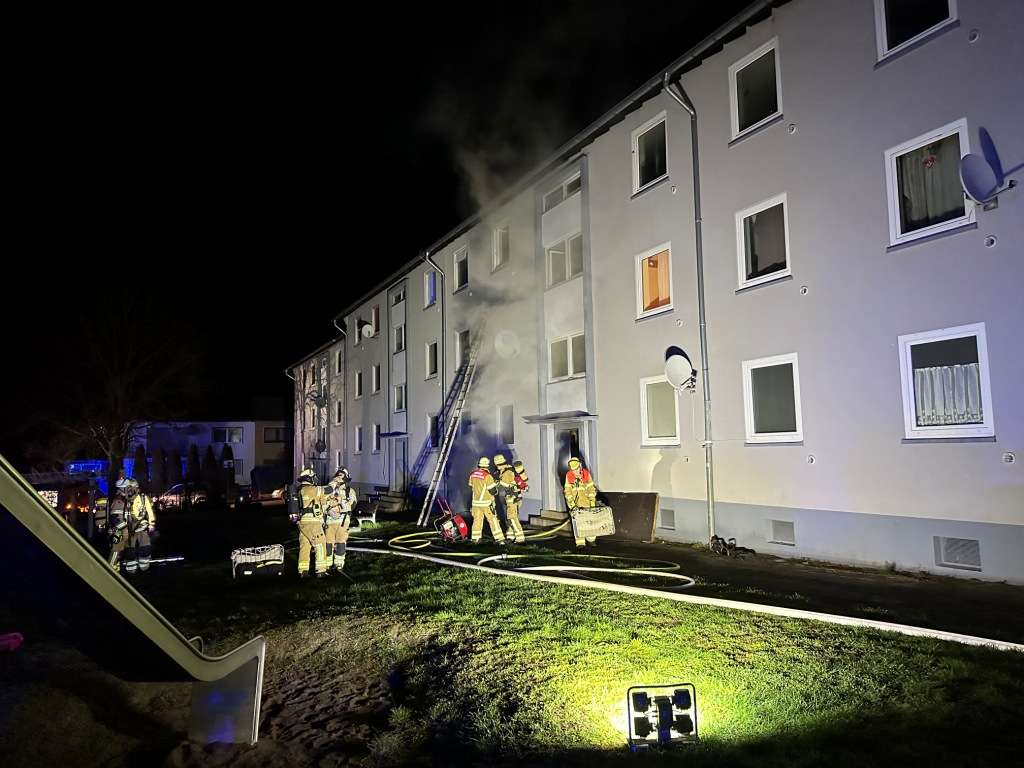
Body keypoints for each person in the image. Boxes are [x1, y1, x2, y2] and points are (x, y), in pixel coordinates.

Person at [293, 467, 329, 578]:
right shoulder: (314, 489)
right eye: (314, 477)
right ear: (309, 478)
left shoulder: (299, 490)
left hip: (302, 522)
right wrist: (336, 482)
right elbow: (328, 490)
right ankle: (321, 571)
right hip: (312, 522)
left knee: (305, 545)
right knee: (320, 544)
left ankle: (303, 571)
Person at [324, 467, 357, 574]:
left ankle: (339, 565)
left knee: (341, 543)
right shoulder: (329, 489)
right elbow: (322, 502)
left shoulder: (350, 491)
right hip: (329, 521)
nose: (339, 478)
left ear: (346, 478)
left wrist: (341, 503)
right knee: (328, 544)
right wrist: (328, 510)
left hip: (343, 521)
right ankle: (327, 565)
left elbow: (352, 505)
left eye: (341, 476)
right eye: (338, 475)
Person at [122, 479, 156, 573]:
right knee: (129, 549)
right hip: (129, 529)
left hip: (142, 528)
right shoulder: (124, 499)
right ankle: (131, 568)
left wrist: (151, 524)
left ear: (136, 488)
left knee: (145, 546)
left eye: (131, 487)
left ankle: (144, 565)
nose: (129, 489)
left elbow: (150, 511)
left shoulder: (143, 498)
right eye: (127, 488)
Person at [468, 457, 505, 544]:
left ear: (479, 465)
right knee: (493, 520)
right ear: (487, 466)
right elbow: (493, 491)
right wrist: (495, 485)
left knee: (477, 521)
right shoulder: (487, 476)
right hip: (486, 504)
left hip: (475, 503)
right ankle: (499, 539)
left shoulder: (473, 474)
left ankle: (475, 538)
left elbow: (471, 485)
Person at [563, 456, 597, 548]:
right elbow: (567, 491)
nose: (575, 472)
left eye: (577, 469)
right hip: (575, 505)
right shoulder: (568, 476)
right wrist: (572, 504)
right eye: (573, 470)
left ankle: (591, 539)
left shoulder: (586, 474)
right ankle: (580, 543)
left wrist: (592, 502)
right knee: (578, 524)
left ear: (580, 466)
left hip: (587, 503)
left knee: (589, 522)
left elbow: (591, 488)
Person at [494, 454, 526, 544]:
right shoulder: (504, 471)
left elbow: (502, 487)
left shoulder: (507, 472)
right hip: (509, 499)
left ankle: (520, 538)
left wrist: (494, 483)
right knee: (509, 518)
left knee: (512, 518)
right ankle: (510, 536)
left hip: (512, 499)